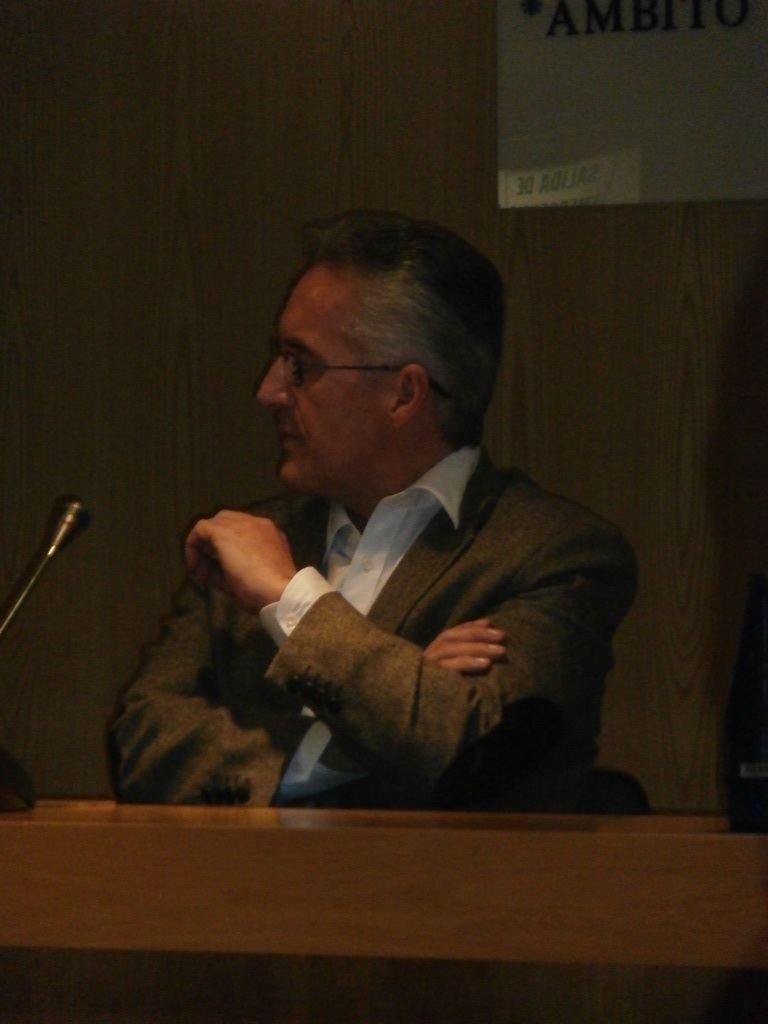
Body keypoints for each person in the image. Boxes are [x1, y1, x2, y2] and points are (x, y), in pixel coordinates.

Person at [109, 210, 636, 810]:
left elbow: (474, 746)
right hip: (239, 875)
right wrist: (361, 732)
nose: (268, 391)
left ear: (405, 394)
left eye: (300, 365)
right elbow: (141, 746)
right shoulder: (253, 540)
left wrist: (290, 599)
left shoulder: (554, 552)